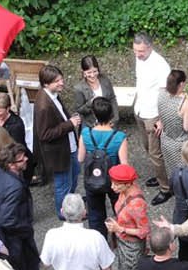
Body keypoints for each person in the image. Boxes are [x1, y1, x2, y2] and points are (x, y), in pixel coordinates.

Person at [0, 143, 59, 270]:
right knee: (19, 269)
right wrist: (26, 229)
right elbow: (7, 220)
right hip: (15, 235)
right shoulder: (15, 187)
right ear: (11, 164)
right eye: (21, 159)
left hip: (10, 231)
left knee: (32, 262)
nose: (26, 159)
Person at [104, 164, 154, 270]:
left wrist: (120, 229)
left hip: (132, 246)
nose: (112, 187)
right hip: (123, 241)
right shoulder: (124, 192)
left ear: (128, 184)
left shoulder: (137, 203)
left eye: (116, 184)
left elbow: (144, 230)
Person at [33, 64, 81, 218]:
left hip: (69, 146)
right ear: (46, 84)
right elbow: (44, 134)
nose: (62, 83)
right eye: (57, 81)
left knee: (74, 176)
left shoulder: (52, 94)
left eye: (61, 79)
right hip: (59, 152)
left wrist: (69, 120)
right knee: (63, 185)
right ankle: (65, 215)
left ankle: (71, 206)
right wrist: (69, 124)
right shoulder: (44, 106)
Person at [79, 97, 129, 235]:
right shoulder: (119, 136)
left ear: (94, 114)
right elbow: (124, 165)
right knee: (119, 210)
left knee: (95, 214)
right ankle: (121, 236)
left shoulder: (85, 133)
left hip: (92, 178)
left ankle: (99, 240)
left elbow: (80, 158)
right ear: (111, 115)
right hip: (114, 181)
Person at [132, 33, 172, 197]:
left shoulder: (161, 65)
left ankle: (165, 188)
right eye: (135, 50)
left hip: (153, 114)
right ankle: (159, 174)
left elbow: (166, 94)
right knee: (147, 147)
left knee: (155, 153)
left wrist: (162, 119)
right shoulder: (139, 58)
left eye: (141, 51)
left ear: (150, 47)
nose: (137, 54)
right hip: (140, 110)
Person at [154, 69, 188, 206]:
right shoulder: (184, 103)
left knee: (172, 170)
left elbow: (161, 114)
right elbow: (187, 127)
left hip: (166, 139)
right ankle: (184, 195)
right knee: (183, 172)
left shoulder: (161, 94)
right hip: (179, 142)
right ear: (181, 84)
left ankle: (175, 189)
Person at [69, 55, 119, 125]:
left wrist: (115, 118)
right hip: (91, 125)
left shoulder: (105, 80)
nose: (92, 75)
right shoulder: (79, 88)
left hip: (109, 122)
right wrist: (90, 103)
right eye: (89, 72)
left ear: (98, 70)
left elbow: (112, 98)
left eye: (95, 71)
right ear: (84, 73)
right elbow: (79, 110)